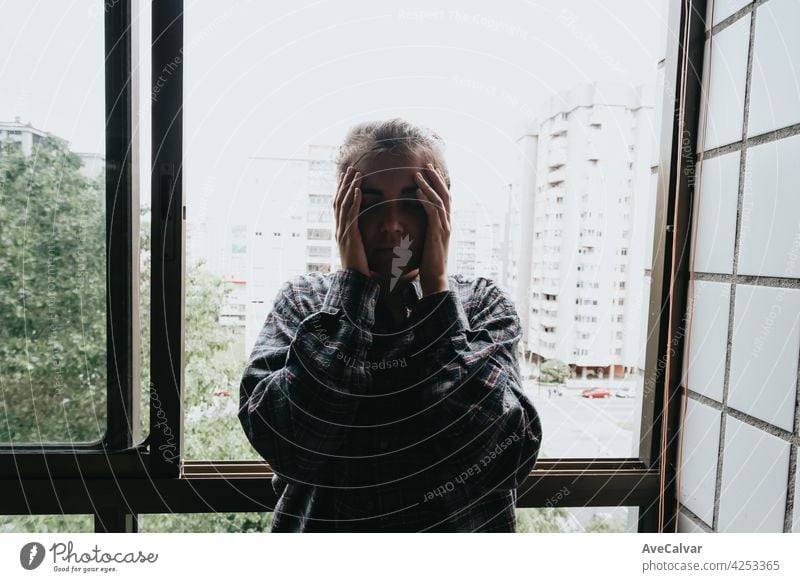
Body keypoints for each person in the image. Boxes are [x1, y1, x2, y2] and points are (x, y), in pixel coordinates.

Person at [238, 118, 542, 532]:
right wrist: (353, 292)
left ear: (442, 205)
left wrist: (437, 294)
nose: (393, 224)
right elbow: (286, 445)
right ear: (344, 207)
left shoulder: (484, 305)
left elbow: (503, 458)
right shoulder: (305, 303)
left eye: (413, 202)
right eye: (371, 201)